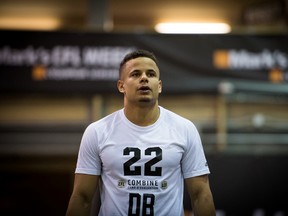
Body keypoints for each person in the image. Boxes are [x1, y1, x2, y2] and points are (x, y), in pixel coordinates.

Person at [66, 49, 215, 216]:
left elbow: (201, 195)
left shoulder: (185, 129)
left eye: (150, 74)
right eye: (135, 74)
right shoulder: (97, 131)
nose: (144, 78)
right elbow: (82, 197)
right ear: (121, 86)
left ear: (159, 86)